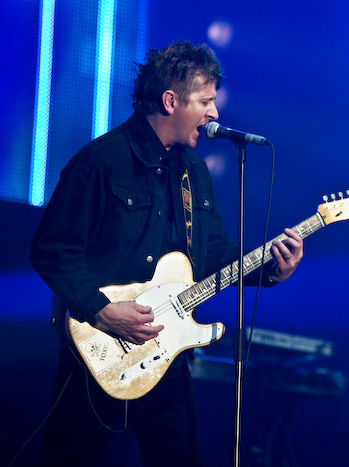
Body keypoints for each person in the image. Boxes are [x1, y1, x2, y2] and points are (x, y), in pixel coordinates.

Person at [30, 40, 303, 466]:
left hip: (165, 355)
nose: (214, 114)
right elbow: (52, 249)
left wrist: (270, 269)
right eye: (206, 101)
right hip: (97, 354)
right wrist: (101, 310)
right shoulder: (101, 161)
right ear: (171, 100)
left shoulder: (192, 172)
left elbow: (213, 256)